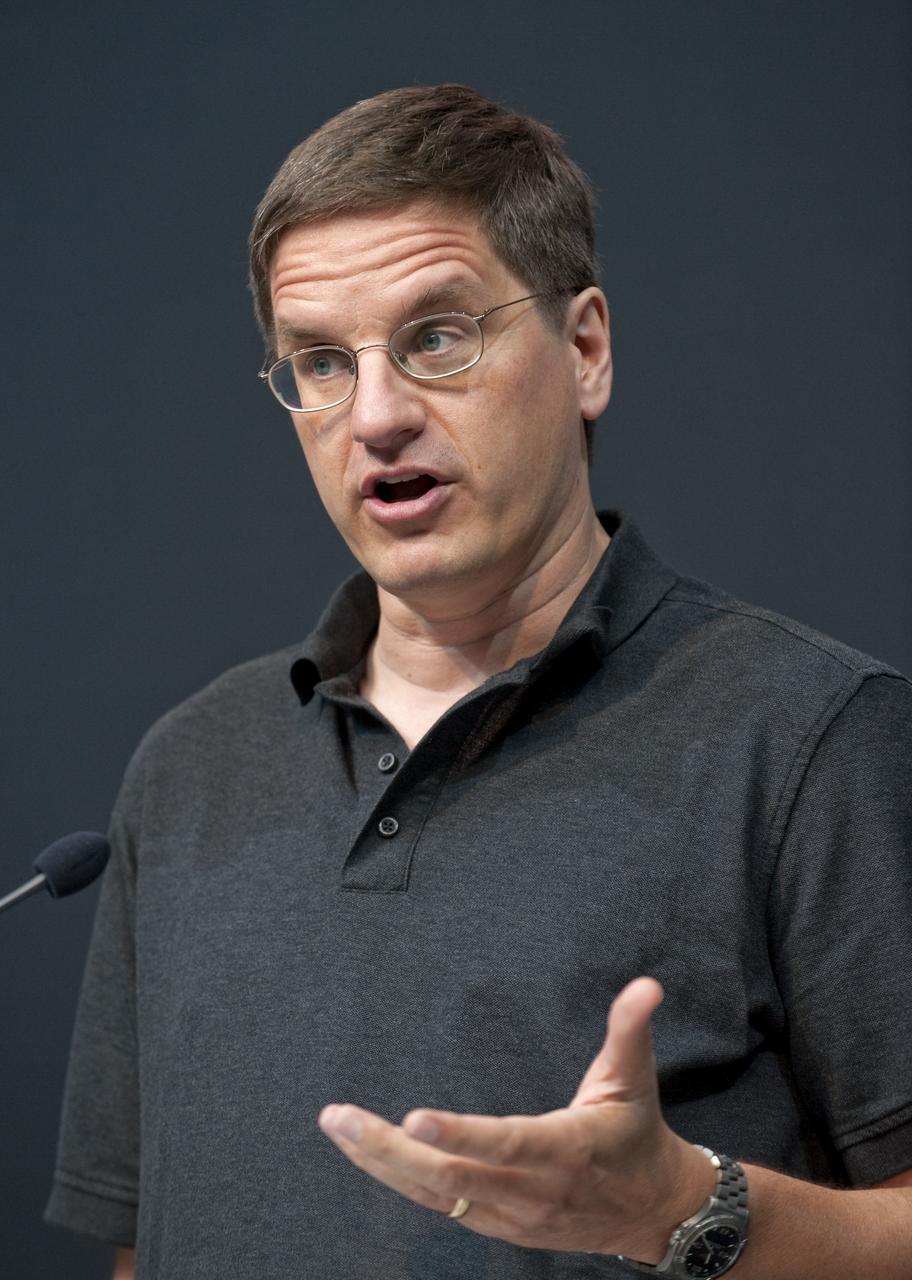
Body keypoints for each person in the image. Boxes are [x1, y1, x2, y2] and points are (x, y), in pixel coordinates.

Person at [45, 84, 912, 1280]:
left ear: (586, 347)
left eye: (438, 336)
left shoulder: (812, 735)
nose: (379, 416)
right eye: (321, 362)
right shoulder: (191, 764)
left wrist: (691, 1207)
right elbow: (151, 1238)